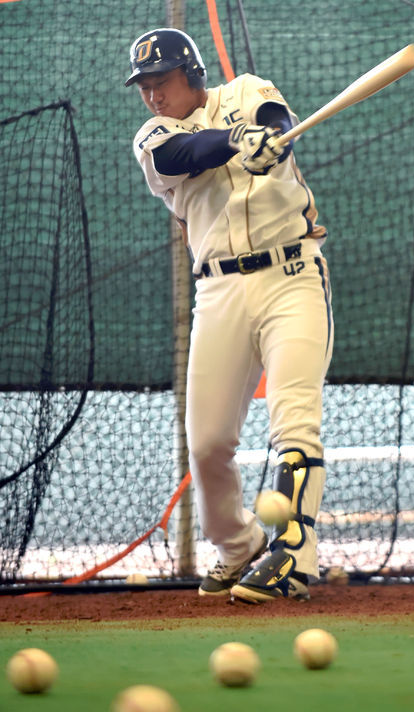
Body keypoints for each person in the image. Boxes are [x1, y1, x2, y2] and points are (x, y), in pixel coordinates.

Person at [125, 28, 333, 603]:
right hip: (218, 291)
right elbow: (184, 154)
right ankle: (239, 546)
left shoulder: (245, 90)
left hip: (292, 275)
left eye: (162, 80)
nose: (153, 95)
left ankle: (294, 555)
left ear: (191, 73)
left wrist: (269, 141)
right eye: (144, 85)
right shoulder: (153, 136)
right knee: (208, 443)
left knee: (295, 419)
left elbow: (273, 118)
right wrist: (236, 142)